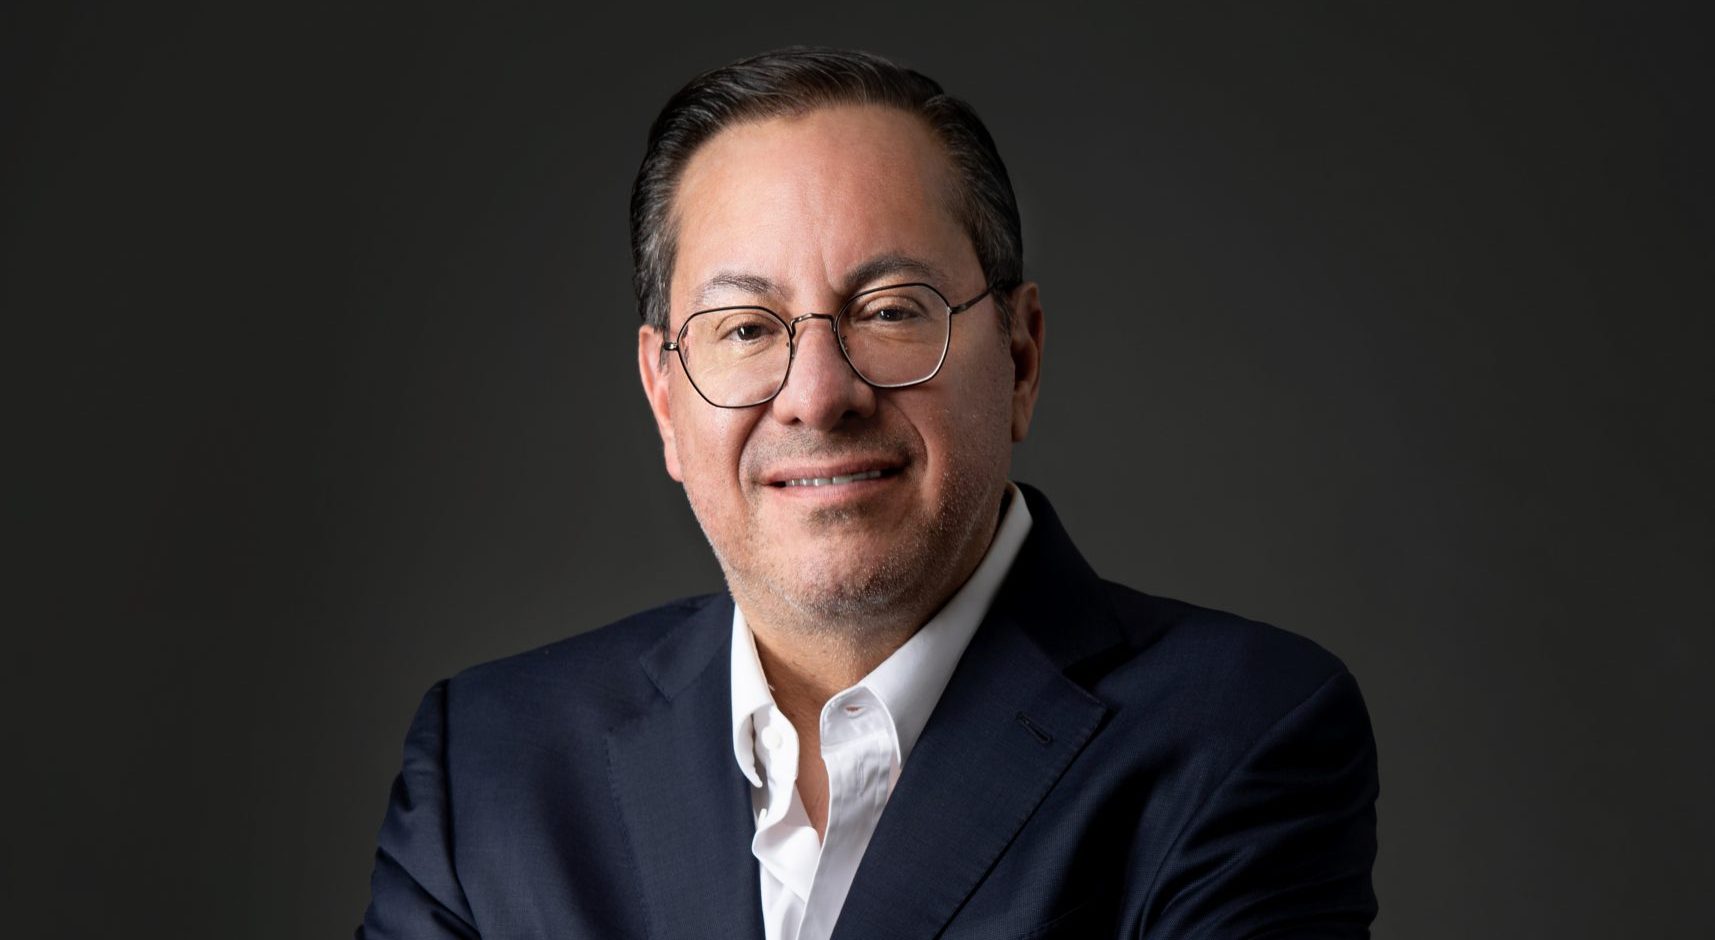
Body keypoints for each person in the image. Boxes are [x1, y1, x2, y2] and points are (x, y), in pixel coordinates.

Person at [358, 47, 1378, 940]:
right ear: (665, 397)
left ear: (1020, 358)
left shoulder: (1237, 735)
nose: (817, 395)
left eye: (889, 311)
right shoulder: (488, 764)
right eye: (745, 328)